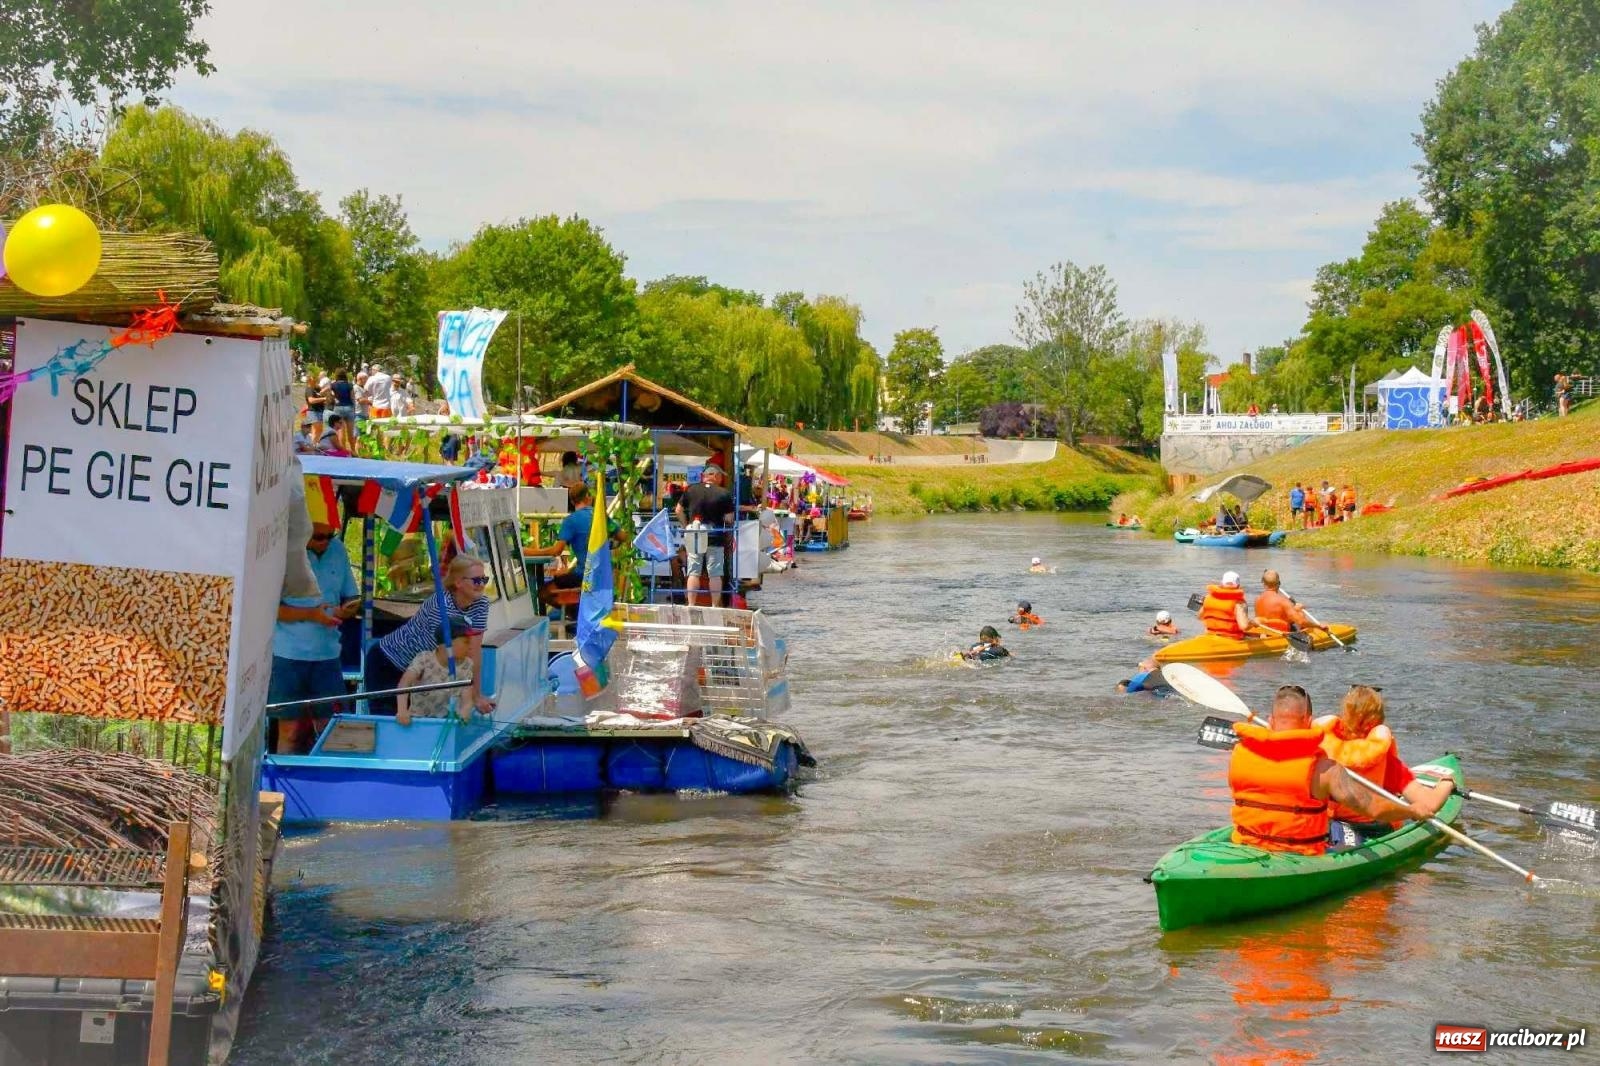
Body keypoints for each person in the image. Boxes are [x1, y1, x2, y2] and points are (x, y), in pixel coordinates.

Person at [1229, 685, 1441, 856]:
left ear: (1270, 721)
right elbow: (1374, 808)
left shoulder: (1241, 752)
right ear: (1309, 722)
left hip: (1248, 843)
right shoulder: (1324, 769)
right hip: (1301, 853)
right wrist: (1412, 811)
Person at [1314, 685, 1456, 847]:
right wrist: (1447, 783)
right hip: (1374, 828)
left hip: (1330, 825)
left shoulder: (1322, 755)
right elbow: (1429, 805)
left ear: (1344, 715)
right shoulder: (1387, 763)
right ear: (1379, 720)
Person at [266, 522, 359, 754]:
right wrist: (312, 614)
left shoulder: (338, 549)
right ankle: (285, 776)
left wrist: (347, 609)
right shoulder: (282, 551)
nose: (325, 541)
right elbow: (269, 609)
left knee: (333, 730)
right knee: (290, 731)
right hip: (287, 656)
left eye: (330, 535)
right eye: (318, 537)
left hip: (328, 656)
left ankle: (328, 776)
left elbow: (351, 596)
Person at [364, 553, 495, 716]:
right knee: (391, 722)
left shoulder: (481, 604)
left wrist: (477, 696)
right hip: (388, 663)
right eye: (476, 580)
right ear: (458, 582)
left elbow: (473, 651)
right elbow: (451, 656)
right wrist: (468, 698)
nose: (481, 585)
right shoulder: (442, 607)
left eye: (484, 579)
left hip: (418, 669)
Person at [526, 482, 596, 608]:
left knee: (543, 593)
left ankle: (575, 614)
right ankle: (578, 612)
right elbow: (622, 537)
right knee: (563, 578)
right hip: (602, 575)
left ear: (572, 502)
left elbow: (556, 551)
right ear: (588, 496)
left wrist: (529, 552)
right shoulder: (601, 517)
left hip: (583, 576)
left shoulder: (571, 520)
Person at [395, 615, 475, 726]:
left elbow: (467, 700)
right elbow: (404, 684)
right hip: (417, 722)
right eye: (466, 642)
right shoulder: (424, 659)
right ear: (448, 643)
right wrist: (402, 710)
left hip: (445, 724)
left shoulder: (467, 665)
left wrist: (464, 713)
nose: (470, 646)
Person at [676, 465, 734, 607]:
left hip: (695, 534)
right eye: (720, 476)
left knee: (693, 571)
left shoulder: (691, 490)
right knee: (715, 573)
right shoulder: (724, 493)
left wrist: (686, 526)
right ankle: (714, 606)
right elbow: (729, 518)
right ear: (715, 476)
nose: (721, 479)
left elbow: (678, 510)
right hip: (715, 536)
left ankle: (691, 605)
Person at [1253, 569, 1315, 635]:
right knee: (1300, 614)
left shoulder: (1257, 600)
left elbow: (1270, 616)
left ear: (1264, 584)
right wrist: (1317, 626)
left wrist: (1295, 608)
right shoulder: (1283, 600)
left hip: (1265, 631)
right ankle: (1305, 634)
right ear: (1278, 583)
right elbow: (1300, 621)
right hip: (1281, 632)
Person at [1199, 570, 1253, 640]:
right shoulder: (1239, 603)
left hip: (1210, 636)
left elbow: (1200, 617)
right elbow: (1244, 626)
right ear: (1238, 585)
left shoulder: (1208, 597)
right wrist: (1253, 623)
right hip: (1231, 639)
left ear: (1222, 583)